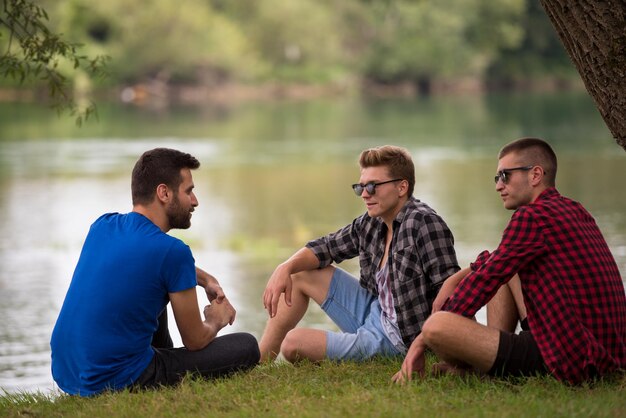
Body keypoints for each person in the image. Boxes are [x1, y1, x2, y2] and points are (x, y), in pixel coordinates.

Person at [393, 137, 626, 385]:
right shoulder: (574, 209)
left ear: (535, 174)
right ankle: (491, 365)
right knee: (507, 271)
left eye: (505, 175)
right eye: (497, 178)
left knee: (437, 326)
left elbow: (484, 282)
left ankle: (487, 367)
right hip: (604, 351)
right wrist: (459, 275)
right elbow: (499, 260)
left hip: (572, 358)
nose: (498, 186)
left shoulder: (531, 217)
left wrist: (420, 342)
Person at [51, 148, 259, 396]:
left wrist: (206, 280)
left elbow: (147, 261)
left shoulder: (103, 226)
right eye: (189, 191)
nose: (195, 201)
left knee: (153, 285)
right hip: (116, 378)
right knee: (247, 346)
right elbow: (195, 340)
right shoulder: (173, 252)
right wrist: (216, 319)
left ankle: (164, 357)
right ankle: (162, 365)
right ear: (164, 193)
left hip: (68, 371)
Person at [260, 145, 459, 363]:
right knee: (300, 272)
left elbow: (452, 292)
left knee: (293, 343)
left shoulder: (424, 223)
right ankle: (259, 362)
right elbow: (326, 247)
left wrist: (435, 351)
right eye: (361, 187)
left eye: (373, 186)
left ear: (402, 187)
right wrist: (284, 267)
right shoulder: (372, 221)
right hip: (375, 311)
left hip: (399, 339)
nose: (365, 194)